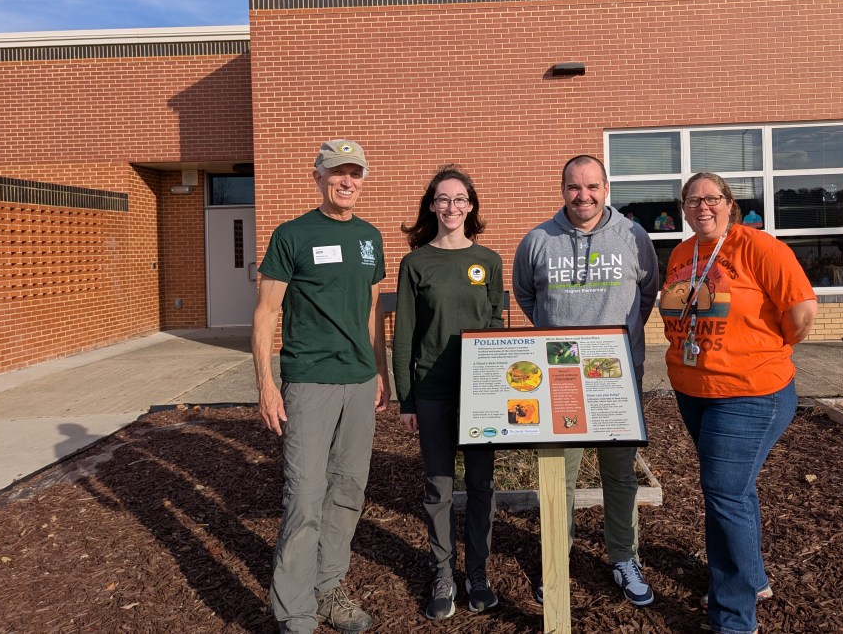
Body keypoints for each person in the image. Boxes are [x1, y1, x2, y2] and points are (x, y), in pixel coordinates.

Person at [659, 172, 817, 634]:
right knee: (733, 489)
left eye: (711, 199)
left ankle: (734, 616)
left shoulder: (760, 247)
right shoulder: (684, 253)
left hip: (750, 392)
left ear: (729, 203)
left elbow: (802, 312)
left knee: (724, 493)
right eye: (692, 201)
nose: (701, 208)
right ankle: (753, 578)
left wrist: (765, 351)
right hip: (694, 391)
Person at [252, 139, 389, 634]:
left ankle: (329, 589)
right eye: (337, 172)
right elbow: (266, 314)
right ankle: (295, 613)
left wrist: (382, 374)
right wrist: (266, 386)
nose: (347, 181)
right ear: (318, 176)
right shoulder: (292, 235)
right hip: (309, 382)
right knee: (306, 496)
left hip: (359, 382)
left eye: (355, 173)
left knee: (348, 492)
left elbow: (373, 313)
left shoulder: (370, 237)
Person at [512, 154, 659, 606]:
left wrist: (622, 337)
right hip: (560, 382)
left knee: (620, 476)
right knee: (559, 477)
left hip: (616, 382)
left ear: (606, 188)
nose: (584, 196)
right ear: (562, 190)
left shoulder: (634, 237)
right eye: (574, 187)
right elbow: (525, 294)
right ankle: (557, 558)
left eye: (592, 186)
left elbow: (647, 291)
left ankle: (622, 556)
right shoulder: (538, 239)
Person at [391, 165, 505, 620]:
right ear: (432, 206)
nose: (452, 207)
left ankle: (477, 572)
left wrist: (498, 386)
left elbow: (498, 325)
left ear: (471, 206)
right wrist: (407, 398)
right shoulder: (415, 263)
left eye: (460, 199)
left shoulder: (490, 261)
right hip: (433, 391)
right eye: (443, 199)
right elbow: (404, 335)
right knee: (438, 487)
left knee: (481, 483)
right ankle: (442, 572)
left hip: (481, 392)